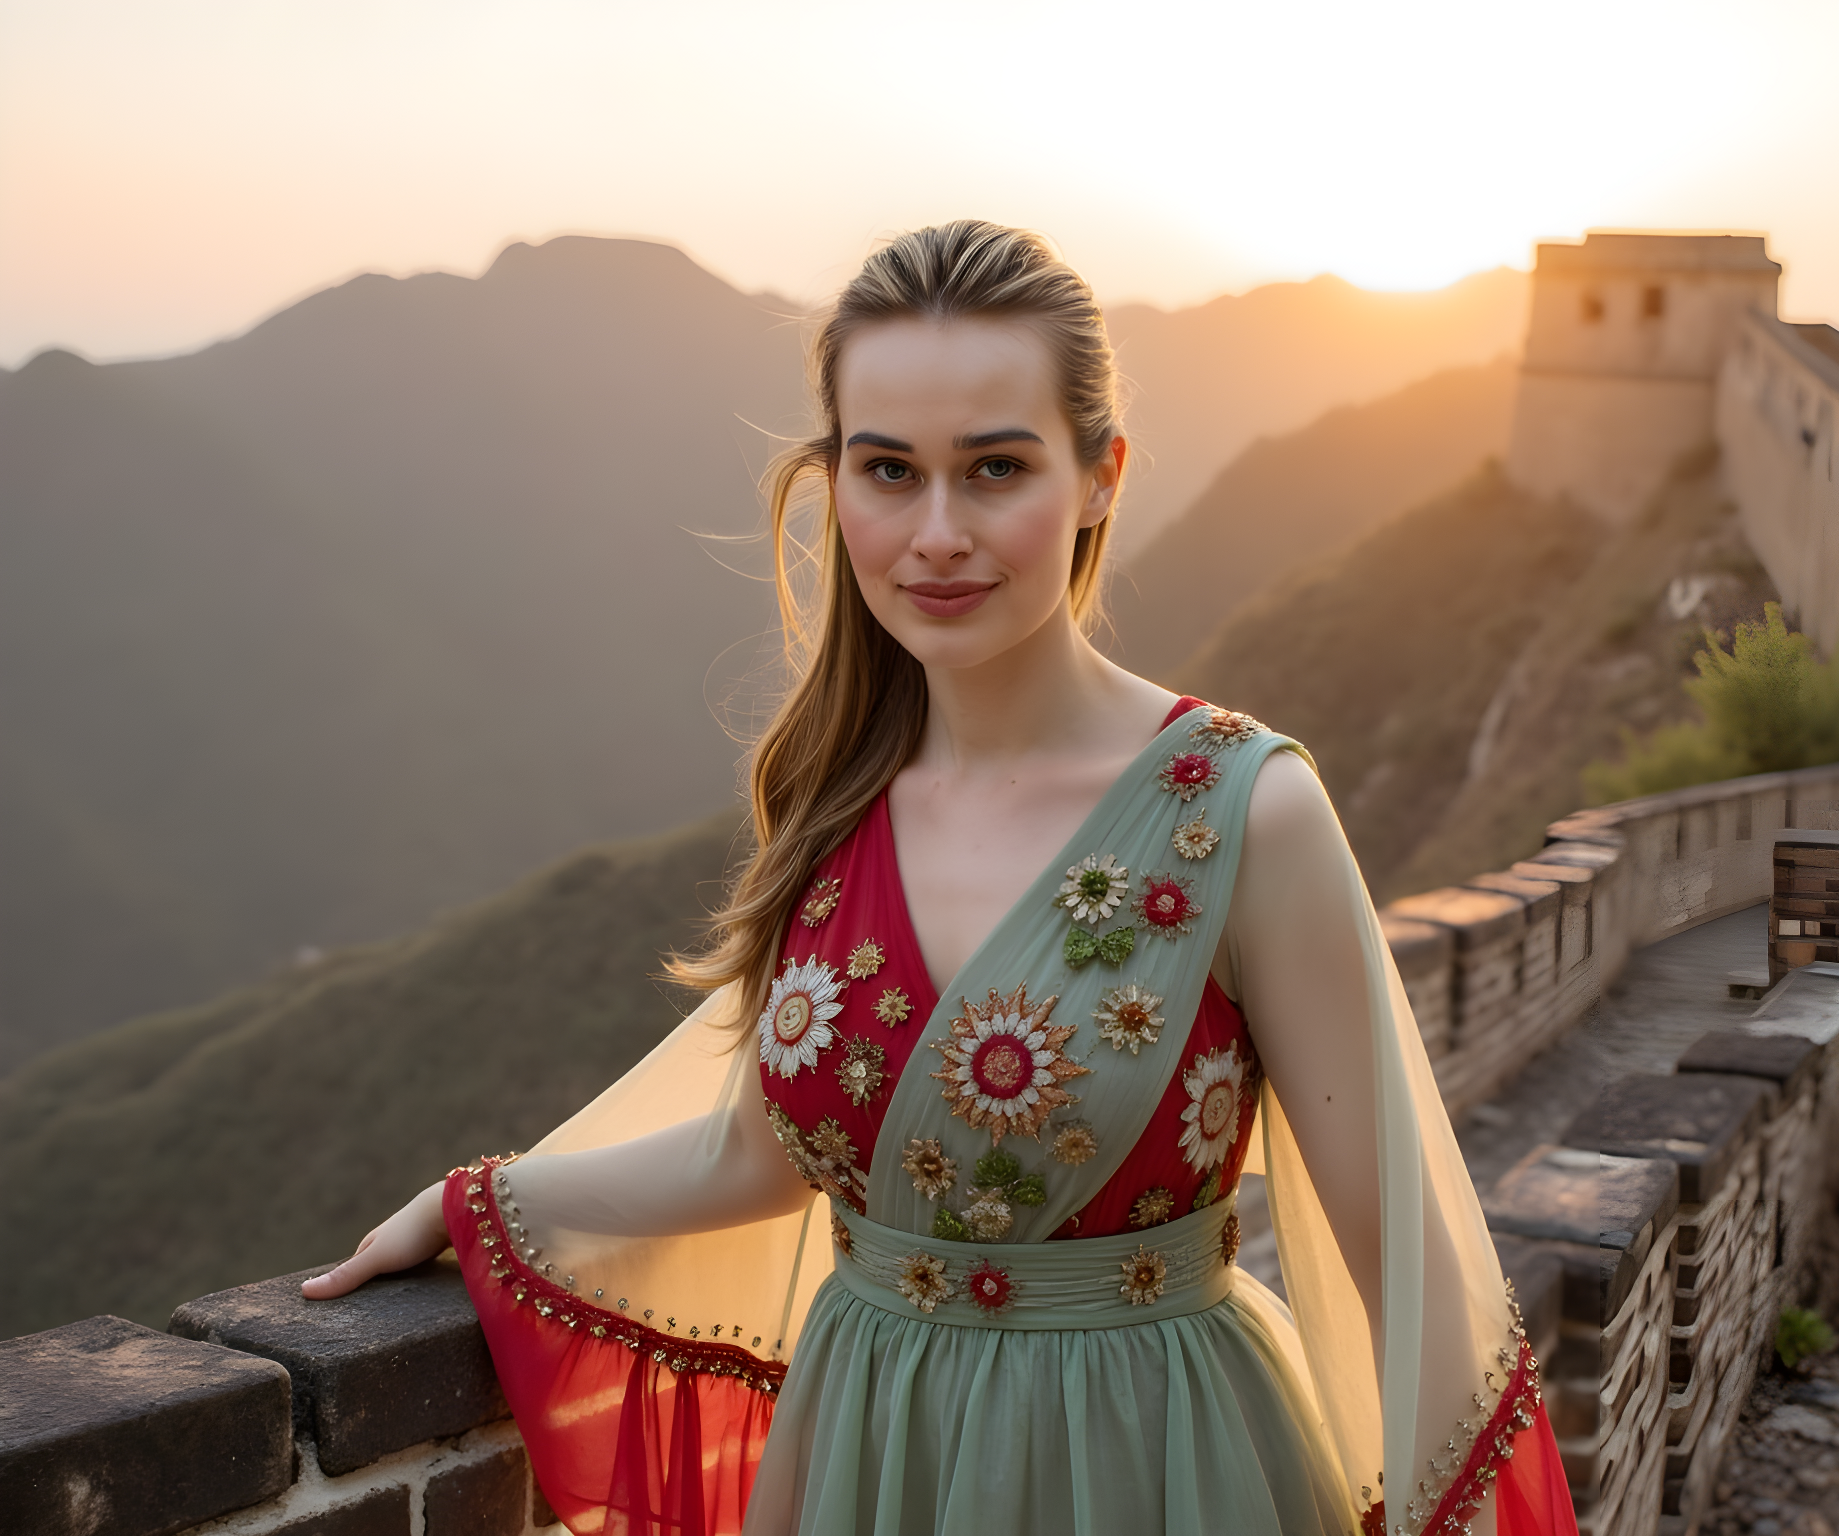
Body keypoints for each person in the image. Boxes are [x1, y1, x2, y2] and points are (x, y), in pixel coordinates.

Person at [304, 220, 1575, 1536]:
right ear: (834, 482)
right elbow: (758, 1156)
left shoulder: (1243, 810)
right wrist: (482, 1202)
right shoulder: (836, 800)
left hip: (1147, 1465)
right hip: (866, 1452)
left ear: (1099, 479)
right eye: (891, 472)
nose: (938, 533)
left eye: (996, 470)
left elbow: (1401, 1269)